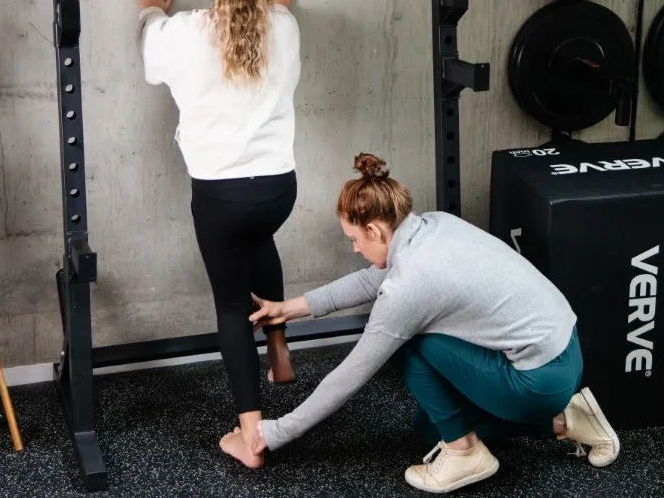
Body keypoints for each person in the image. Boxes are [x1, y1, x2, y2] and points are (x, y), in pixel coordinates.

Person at [240, 152, 620, 492]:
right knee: (428, 427)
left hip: (538, 381)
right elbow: (372, 279)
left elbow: (349, 375)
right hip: (565, 347)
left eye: (353, 239)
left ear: (374, 229)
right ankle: (566, 420)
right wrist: (287, 309)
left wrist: (273, 433)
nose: (354, 249)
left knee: (406, 342)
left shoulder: (410, 285)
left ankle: (468, 453)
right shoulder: (433, 225)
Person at [130, 0, 302, 468]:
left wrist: (151, 8)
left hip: (220, 198)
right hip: (278, 191)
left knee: (231, 305)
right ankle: (279, 351)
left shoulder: (181, 32)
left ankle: (250, 437)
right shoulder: (284, 25)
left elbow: (151, 57)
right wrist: (279, 4)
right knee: (259, 243)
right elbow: (272, 26)